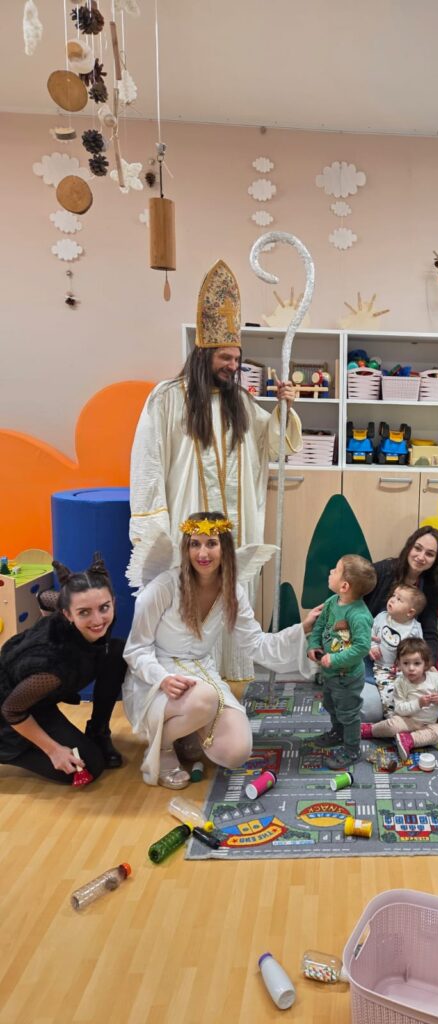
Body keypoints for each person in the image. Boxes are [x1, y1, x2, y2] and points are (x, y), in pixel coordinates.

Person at [129, 259, 301, 682]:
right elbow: (148, 460)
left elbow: (274, 443)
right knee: (186, 599)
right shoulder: (168, 398)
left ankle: (230, 681)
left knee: (230, 597)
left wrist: (285, 408)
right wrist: (154, 524)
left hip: (234, 531)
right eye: (225, 357)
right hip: (188, 528)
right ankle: (182, 677)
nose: (232, 365)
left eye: (236, 358)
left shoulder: (240, 402)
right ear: (204, 354)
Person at [122, 512, 317, 789]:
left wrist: (302, 629)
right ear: (186, 548)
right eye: (195, 544)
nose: (202, 553)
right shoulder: (165, 586)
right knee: (205, 699)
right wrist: (162, 679)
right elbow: (136, 649)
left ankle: (185, 732)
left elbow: (256, 644)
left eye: (211, 543)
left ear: (224, 547)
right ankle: (162, 747)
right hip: (157, 677)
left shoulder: (232, 591)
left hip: (202, 673)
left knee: (236, 752)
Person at [0, 555, 126, 784]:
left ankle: (98, 730)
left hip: (35, 698)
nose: (97, 619)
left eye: (104, 607)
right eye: (84, 612)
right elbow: (11, 710)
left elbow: (43, 597)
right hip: (10, 711)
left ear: (113, 602)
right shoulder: (53, 666)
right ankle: (9, 750)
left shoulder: (73, 607)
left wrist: (46, 623)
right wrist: (54, 750)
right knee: (90, 766)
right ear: (67, 614)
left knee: (116, 652)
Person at [362, 527, 438, 721]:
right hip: (369, 654)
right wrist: (364, 639)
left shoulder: (430, 586)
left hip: (404, 664)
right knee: (371, 710)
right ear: (409, 546)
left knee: (425, 703)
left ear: (436, 560)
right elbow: (354, 605)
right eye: (417, 548)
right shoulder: (383, 571)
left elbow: (429, 633)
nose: (421, 556)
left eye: (429, 554)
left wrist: (428, 663)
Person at [307, 555, 377, 771]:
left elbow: (361, 648)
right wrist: (313, 644)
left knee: (348, 713)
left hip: (347, 676)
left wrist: (335, 659)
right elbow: (320, 626)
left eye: (335, 570)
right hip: (330, 673)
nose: (330, 572)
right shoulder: (332, 602)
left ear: (345, 586)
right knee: (331, 705)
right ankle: (338, 733)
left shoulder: (359, 615)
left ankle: (352, 749)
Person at [361, 638, 438, 761]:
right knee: (392, 725)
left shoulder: (435, 678)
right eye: (406, 663)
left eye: (417, 663)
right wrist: (418, 703)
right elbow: (399, 709)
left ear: (425, 664)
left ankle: (409, 740)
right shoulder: (401, 682)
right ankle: (371, 730)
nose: (411, 668)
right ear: (398, 664)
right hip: (407, 720)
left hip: (429, 723)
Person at [369, 584, 426, 715]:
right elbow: (370, 632)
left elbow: (419, 650)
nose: (392, 599)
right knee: (388, 694)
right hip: (382, 667)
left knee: (412, 692)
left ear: (410, 612)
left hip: (405, 669)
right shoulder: (381, 617)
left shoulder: (414, 629)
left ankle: (414, 716)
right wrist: (372, 646)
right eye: (394, 595)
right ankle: (392, 718)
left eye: (399, 599)